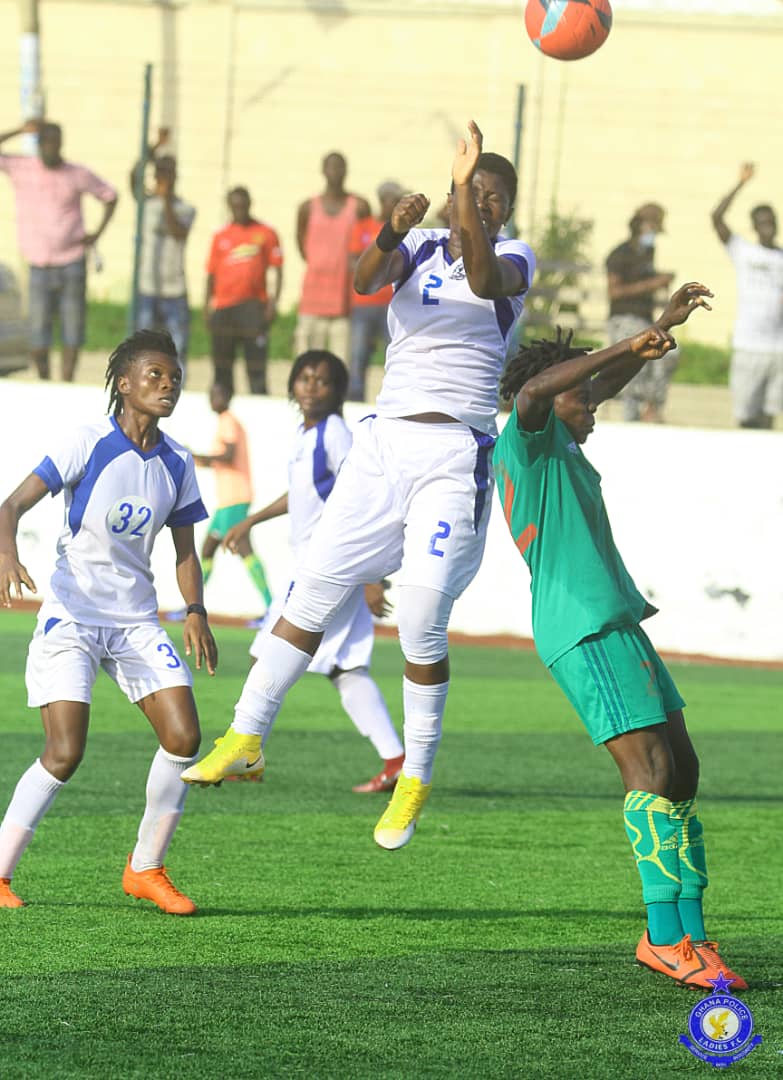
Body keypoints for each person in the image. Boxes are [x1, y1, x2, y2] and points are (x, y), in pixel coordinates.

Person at [183, 121, 536, 854]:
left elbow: (479, 279)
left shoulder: (509, 256)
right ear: (448, 198)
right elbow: (362, 281)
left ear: (506, 209)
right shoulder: (422, 249)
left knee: (420, 623)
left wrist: (464, 191)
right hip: (383, 444)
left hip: (451, 454)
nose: (484, 205)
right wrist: (389, 228)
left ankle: (415, 776)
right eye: (473, 194)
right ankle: (246, 735)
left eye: (494, 197)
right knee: (309, 587)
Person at [493, 283, 746, 990]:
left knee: (683, 772)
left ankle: (691, 933)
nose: (594, 410)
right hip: (579, 626)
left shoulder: (562, 439)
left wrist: (656, 329)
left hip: (615, 620)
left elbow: (588, 385)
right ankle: (662, 938)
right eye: (585, 401)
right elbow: (544, 387)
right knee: (651, 776)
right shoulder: (526, 434)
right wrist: (627, 342)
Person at [0, 329, 217, 914]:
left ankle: (145, 868)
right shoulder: (87, 441)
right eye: (154, 375)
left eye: (173, 377)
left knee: (184, 737)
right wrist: (5, 551)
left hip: (136, 621)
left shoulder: (177, 461)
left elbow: (184, 551)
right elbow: (11, 505)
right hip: (72, 617)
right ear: (124, 383)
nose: (166, 385)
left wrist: (194, 610)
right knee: (65, 753)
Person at [220, 350, 405, 793]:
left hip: (329, 571)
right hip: (320, 568)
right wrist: (251, 520)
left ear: (338, 391)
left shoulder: (336, 434)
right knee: (345, 668)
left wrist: (370, 578)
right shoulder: (311, 435)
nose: (310, 387)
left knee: (266, 653)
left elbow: (361, 500)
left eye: (321, 381)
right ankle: (396, 760)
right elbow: (304, 494)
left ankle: (247, 751)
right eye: (303, 378)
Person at [0, 119, 118, 382]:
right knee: (38, 330)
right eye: (47, 144)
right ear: (39, 145)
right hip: (38, 264)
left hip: (71, 262)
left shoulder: (76, 174)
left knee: (72, 327)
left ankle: (67, 381)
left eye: (56, 144)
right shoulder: (23, 168)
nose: (52, 149)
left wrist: (97, 233)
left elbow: (110, 196)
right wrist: (20, 129)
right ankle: (44, 381)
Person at [189, 382, 273, 615]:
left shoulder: (228, 421)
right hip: (227, 501)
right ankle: (193, 606)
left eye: (216, 394)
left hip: (235, 499)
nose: (211, 398)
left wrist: (197, 455)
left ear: (226, 397)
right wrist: (197, 460)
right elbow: (221, 459)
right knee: (208, 549)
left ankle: (271, 606)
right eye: (210, 393)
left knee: (243, 548)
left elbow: (228, 455)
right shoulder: (225, 422)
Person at [711, 163, 783, 429]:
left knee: (769, 416)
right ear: (754, 226)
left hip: (778, 348)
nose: (768, 227)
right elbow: (716, 218)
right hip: (748, 345)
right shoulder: (743, 250)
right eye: (763, 223)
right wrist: (740, 183)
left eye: (772, 222)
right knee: (745, 414)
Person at [206, 186, 283, 395]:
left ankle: (259, 402)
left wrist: (273, 303)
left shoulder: (265, 233)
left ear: (249, 204)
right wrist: (207, 306)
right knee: (222, 365)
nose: (239, 209)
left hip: (253, 306)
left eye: (242, 205)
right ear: (230, 207)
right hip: (224, 307)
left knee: (256, 365)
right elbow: (211, 274)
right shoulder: (221, 235)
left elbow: (277, 269)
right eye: (235, 206)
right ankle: (223, 407)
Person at [294, 152, 371, 361]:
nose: (335, 172)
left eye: (339, 167)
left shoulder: (359, 206)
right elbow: (301, 244)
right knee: (307, 361)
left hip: (344, 300)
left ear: (346, 171)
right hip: (312, 298)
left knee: (341, 363)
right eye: (330, 167)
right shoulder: (308, 207)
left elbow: (368, 244)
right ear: (323, 170)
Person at [130, 127, 196, 369]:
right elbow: (134, 174)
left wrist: (166, 198)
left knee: (177, 348)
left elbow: (178, 231)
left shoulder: (184, 208)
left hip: (174, 289)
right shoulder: (146, 203)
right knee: (142, 349)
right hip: (148, 286)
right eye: (160, 175)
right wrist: (155, 146)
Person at [605, 203, 676, 423]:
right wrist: (653, 284)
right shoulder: (620, 254)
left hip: (646, 319)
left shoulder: (648, 253)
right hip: (624, 318)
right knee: (636, 360)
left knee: (669, 353)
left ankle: (652, 407)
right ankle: (631, 415)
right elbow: (614, 291)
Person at [346, 181, 406, 401]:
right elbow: (353, 261)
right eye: (395, 199)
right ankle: (355, 399)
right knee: (359, 354)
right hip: (364, 304)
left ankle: (393, 400)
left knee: (395, 354)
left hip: (393, 305)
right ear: (384, 201)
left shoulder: (406, 231)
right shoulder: (364, 227)